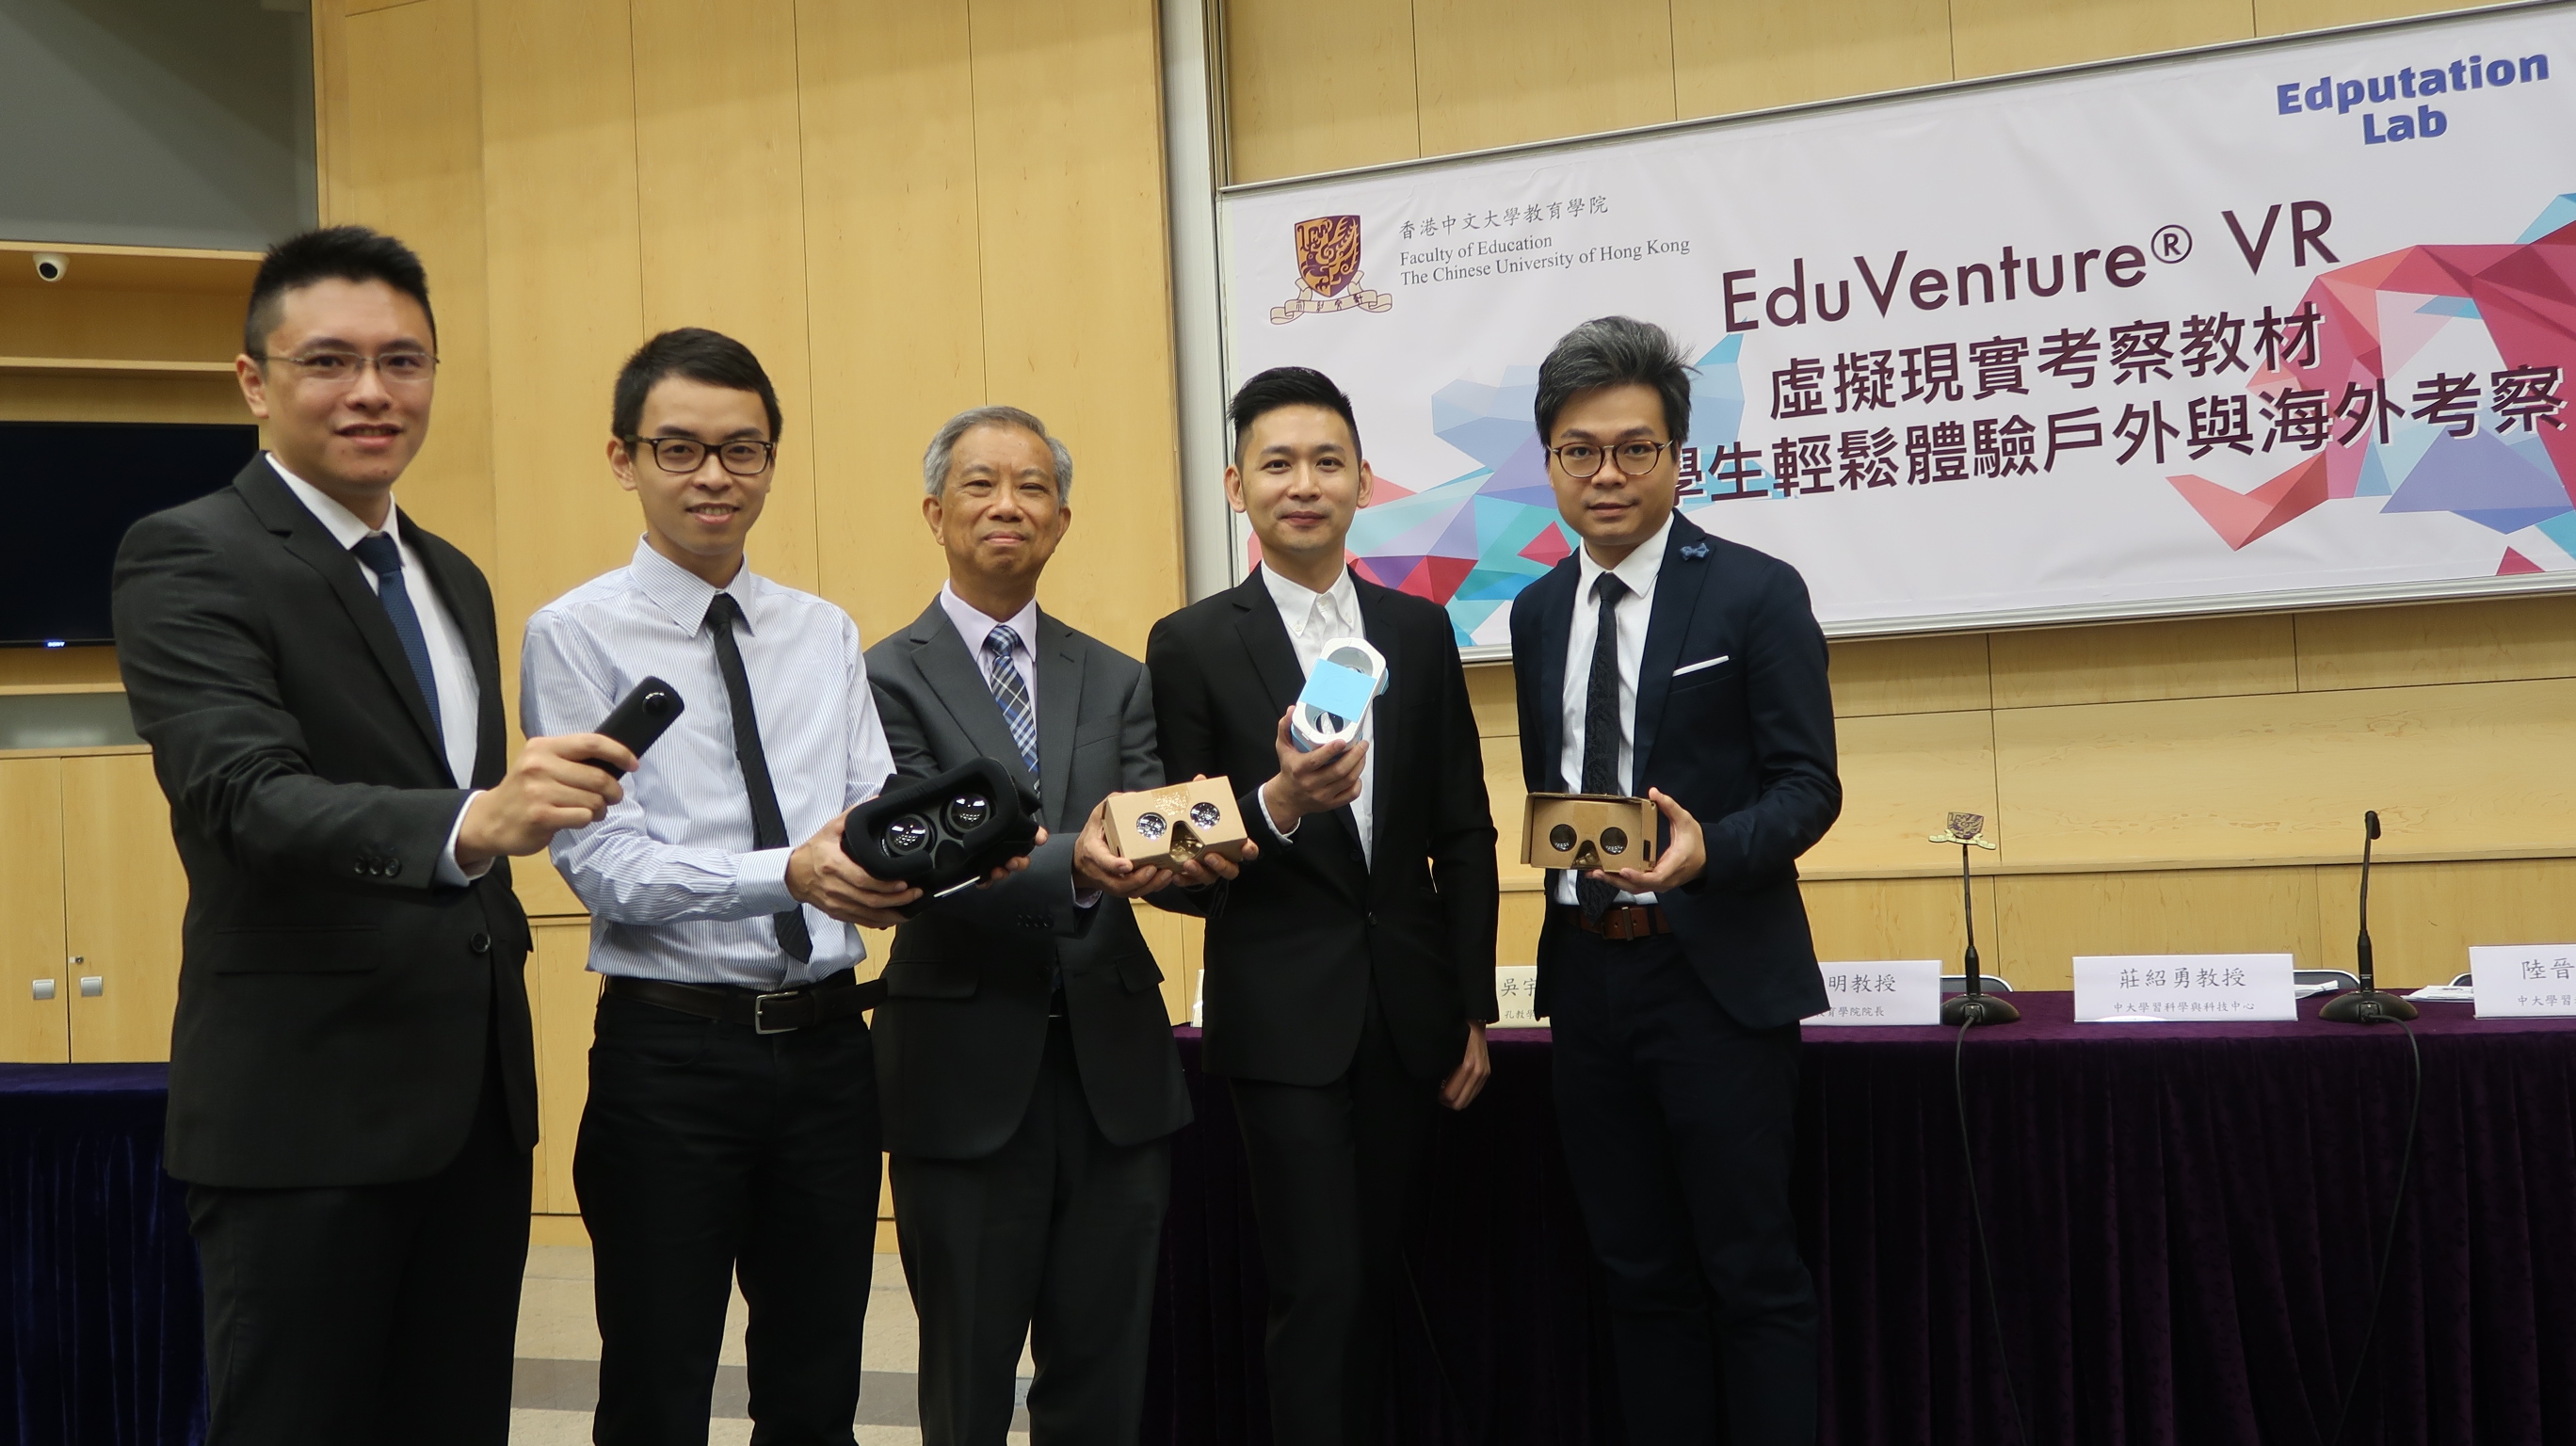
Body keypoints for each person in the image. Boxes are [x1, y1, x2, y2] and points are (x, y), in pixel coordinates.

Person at [111, 225, 632, 1446]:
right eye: (330, 361)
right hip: (305, 1113)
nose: (370, 392)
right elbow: (242, 795)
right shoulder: (189, 555)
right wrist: (474, 820)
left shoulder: (450, 574)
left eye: (403, 362)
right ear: (254, 380)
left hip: (471, 1109)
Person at [519, 329, 991, 1444]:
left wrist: (934, 860)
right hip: (671, 1057)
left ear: (773, 460)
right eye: (679, 450)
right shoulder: (576, 633)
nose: (714, 476)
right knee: (657, 1381)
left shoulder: (820, 630)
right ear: (622, 459)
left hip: (831, 1053)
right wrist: (787, 872)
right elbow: (608, 867)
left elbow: (870, 811)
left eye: (743, 449)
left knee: (819, 1381)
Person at [866, 405, 1238, 1445]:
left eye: (1032, 487)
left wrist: (1211, 852)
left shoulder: (1117, 676)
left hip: (1114, 1077)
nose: (1008, 506)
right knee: (967, 1380)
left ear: (1063, 519)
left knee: (1104, 1375)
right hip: (960, 1071)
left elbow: (1153, 840)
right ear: (935, 511)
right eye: (981, 485)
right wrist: (1079, 854)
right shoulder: (883, 676)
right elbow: (923, 848)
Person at [1146, 365, 1498, 1446]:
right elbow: (1178, 859)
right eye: (1279, 463)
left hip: (1410, 1018)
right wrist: (1282, 808)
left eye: (1329, 462)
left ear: (1362, 482)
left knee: (1386, 1280)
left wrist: (1471, 1003)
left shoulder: (1418, 629)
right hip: (1282, 1024)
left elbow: (1464, 831)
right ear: (1236, 484)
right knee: (1318, 1289)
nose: (1306, 484)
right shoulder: (1192, 642)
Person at [1508, 315, 1842, 1445]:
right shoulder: (1537, 610)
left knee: (1753, 1274)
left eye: (1635, 448)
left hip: (1717, 988)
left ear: (1676, 455)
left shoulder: (1754, 592)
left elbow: (1808, 787)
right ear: (1549, 460)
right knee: (1635, 1275)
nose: (1607, 474)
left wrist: (1716, 849)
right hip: (1590, 992)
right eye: (1580, 450)